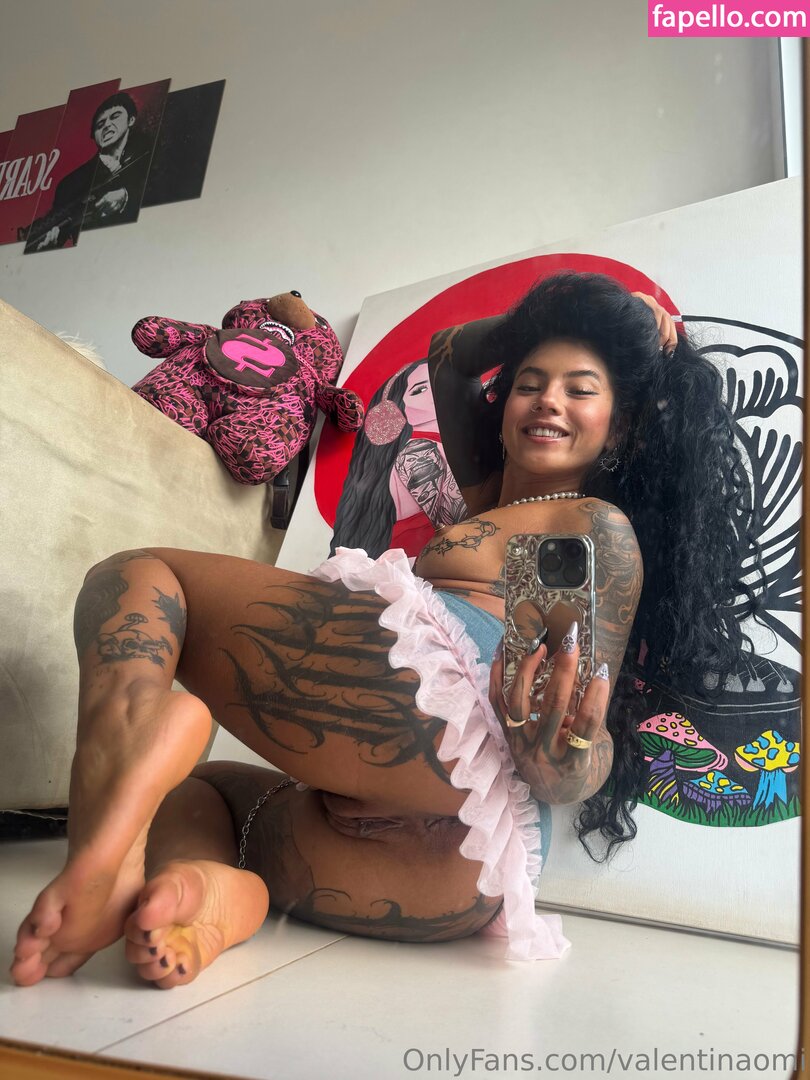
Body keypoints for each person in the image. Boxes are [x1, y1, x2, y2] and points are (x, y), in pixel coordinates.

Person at [11, 273, 764, 989]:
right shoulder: (487, 496)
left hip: (428, 725)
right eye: (530, 383)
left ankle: (113, 808)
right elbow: (449, 356)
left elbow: (571, 719)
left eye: (581, 389)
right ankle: (212, 892)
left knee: (138, 576)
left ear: (621, 426)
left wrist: (565, 759)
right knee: (203, 791)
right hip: (452, 880)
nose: (549, 401)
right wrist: (582, 312)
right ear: (503, 406)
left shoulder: (583, 521)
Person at [331, 358, 467, 558]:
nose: (440, 391)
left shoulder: (445, 445)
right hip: (420, 570)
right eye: (420, 389)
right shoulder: (418, 453)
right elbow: (463, 529)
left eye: (443, 381)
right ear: (397, 409)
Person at [26, 92, 151, 252]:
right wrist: (49, 247)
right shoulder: (70, 184)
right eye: (100, 124)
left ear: (131, 120)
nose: (107, 125)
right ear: (94, 136)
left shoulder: (149, 151)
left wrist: (126, 195)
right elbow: (64, 234)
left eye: (115, 116)